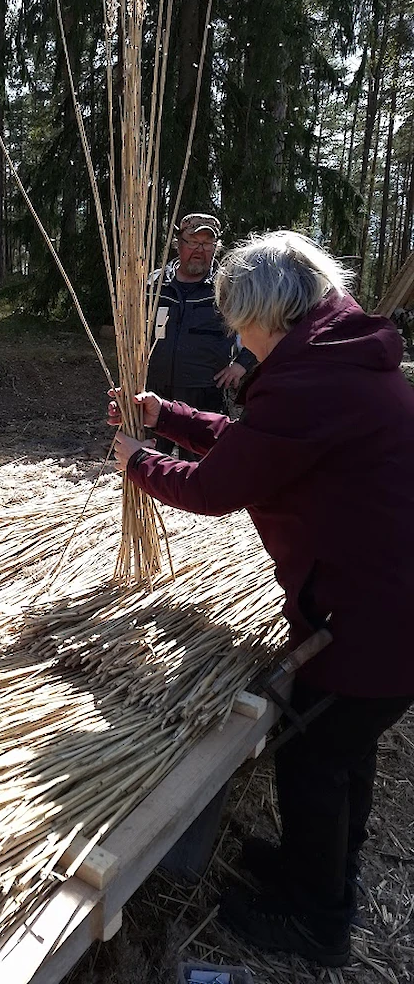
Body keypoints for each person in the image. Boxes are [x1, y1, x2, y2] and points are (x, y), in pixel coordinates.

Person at [108, 229, 414, 968]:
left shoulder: (311, 383)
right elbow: (257, 443)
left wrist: (137, 463)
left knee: (315, 758)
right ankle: (321, 874)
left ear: (272, 313)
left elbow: (218, 486)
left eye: (243, 327)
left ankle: (316, 921)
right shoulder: (339, 359)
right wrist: (167, 416)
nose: (239, 344)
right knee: (343, 752)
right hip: (388, 609)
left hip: (368, 620)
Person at [148, 213, 255, 458]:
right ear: (179, 243)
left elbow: (259, 326)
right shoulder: (155, 285)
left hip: (205, 394)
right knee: (148, 463)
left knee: (201, 470)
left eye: (208, 244)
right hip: (154, 390)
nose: (200, 250)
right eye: (193, 241)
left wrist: (241, 364)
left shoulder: (229, 287)